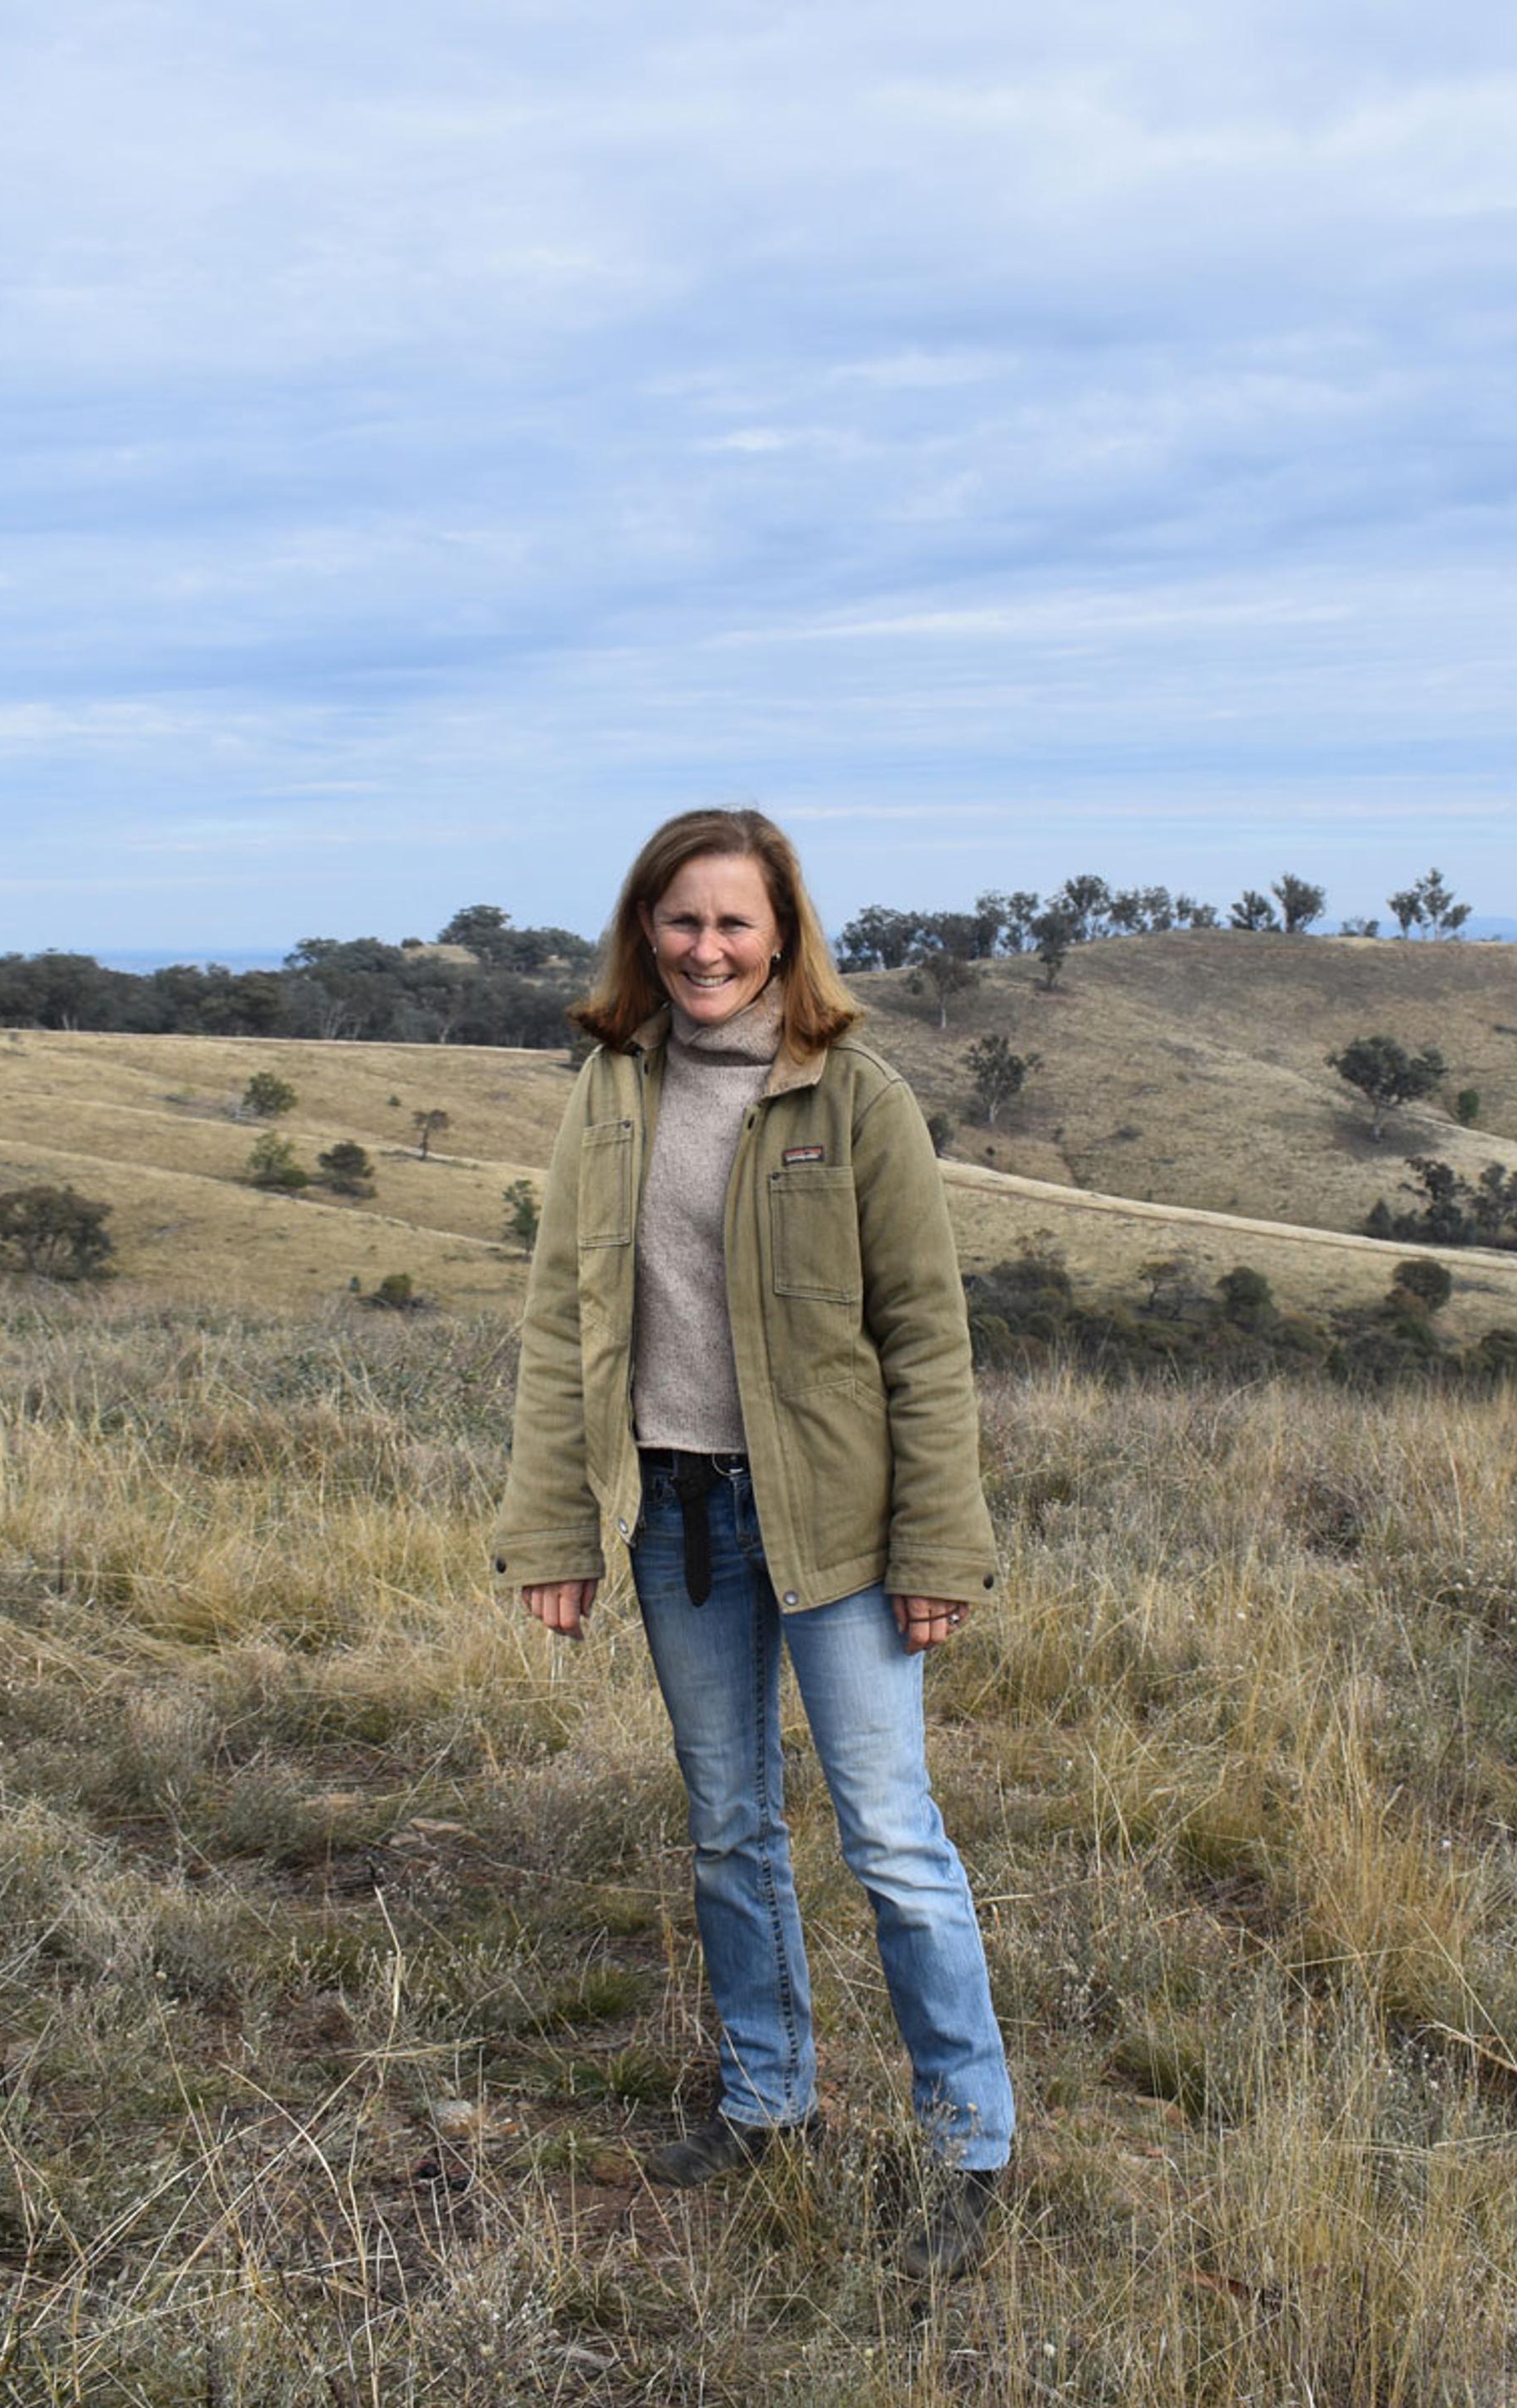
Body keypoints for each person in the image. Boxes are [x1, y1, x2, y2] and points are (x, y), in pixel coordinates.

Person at [488, 807, 1013, 2280]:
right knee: (729, 1824)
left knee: (890, 1838)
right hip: (679, 1517)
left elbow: (927, 1340)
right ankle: (769, 2103)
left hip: (838, 1527)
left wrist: (938, 1547)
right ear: (643, 932)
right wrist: (554, 1528)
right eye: (681, 919)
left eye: (733, 921)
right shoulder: (612, 1089)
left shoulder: (858, 1097)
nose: (705, 948)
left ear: (782, 933)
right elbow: (561, 1325)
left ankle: (969, 2145)